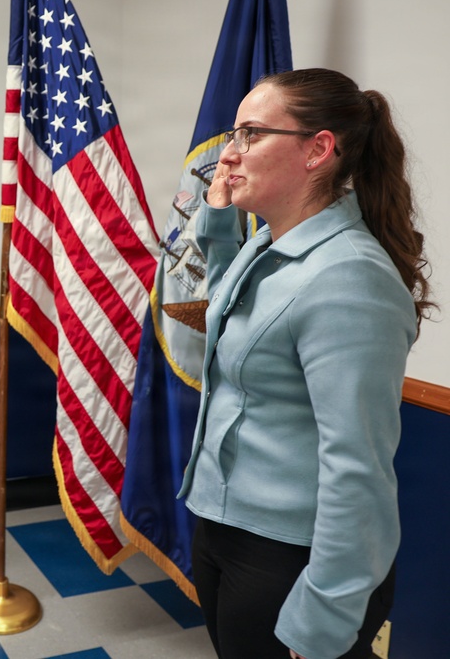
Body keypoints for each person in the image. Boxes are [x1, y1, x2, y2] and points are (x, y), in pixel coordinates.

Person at [178, 68, 435, 659]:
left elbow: (358, 467)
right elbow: (228, 321)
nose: (228, 155)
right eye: (231, 135)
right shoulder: (269, 246)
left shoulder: (348, 276)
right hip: (225, 527)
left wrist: (327, 612)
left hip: (289, 557)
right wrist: (220, 224)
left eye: (249, 135)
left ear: (318, 150)